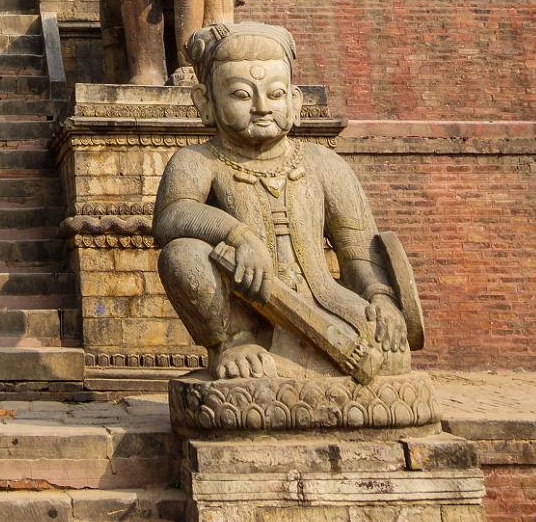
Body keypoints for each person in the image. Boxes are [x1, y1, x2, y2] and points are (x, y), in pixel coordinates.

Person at [152, 21, 409, 382]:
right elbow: (170, 216)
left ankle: (286, 371)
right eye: (241, 95)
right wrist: (239, 236)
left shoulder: (323, 164)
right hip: (250, 312)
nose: (261, 107)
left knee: (390, 354)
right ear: (205, 102)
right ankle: (234, 345)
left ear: (294, 100)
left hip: (325, 305)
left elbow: (358, 252)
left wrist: (381, 300)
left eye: (275, 94)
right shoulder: (198, 161)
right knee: (182, 255)